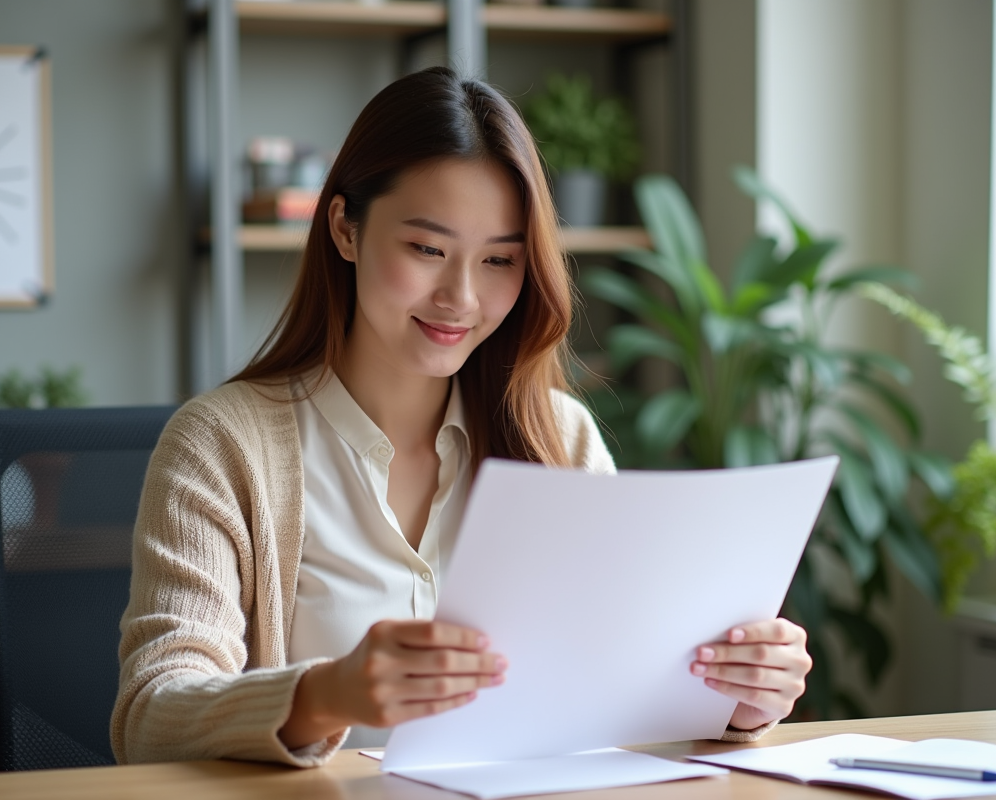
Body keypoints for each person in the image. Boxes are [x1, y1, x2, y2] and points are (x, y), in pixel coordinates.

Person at [110, 66, 812, 768]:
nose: (462, 298)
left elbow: (617, 701)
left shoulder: (560, 439)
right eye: (427, 249)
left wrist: (735, 701)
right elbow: (150, 713)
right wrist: (330, 695)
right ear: (345, 229)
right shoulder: (222, 445)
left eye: (500, 260)